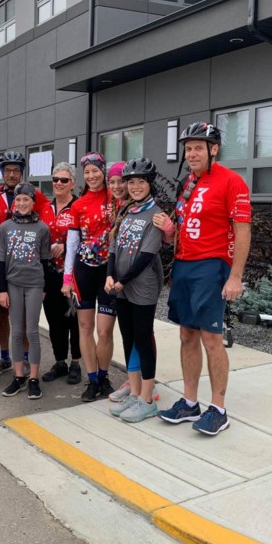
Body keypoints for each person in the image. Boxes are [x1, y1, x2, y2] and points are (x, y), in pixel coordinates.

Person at [157, 122, 252, 436]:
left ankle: (218, 409)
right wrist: (170, 234)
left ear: (214, 149)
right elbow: (183, 224)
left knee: (212, 339)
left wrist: (235, 276)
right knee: (187, 336)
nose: (192, 153)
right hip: (184, 264)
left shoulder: (232, 182)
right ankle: (189, 402)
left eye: (199, 147)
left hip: (212, 267)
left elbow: (242, 231)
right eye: (188, 148)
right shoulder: (189, 183)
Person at [105, 158, 169, 422]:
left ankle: (147, 398)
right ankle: (134, 391)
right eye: (131, 182)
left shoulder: (155, 215)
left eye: (140, 181)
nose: (135, 186)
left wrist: (121, 280)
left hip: (141, 287)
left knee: (143, 340)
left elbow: (145, 256)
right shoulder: (125, 212)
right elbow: (112, 249)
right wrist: (110, 275)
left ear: (149, 184)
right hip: (120, 287)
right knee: (128, 339)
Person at [0, 151, 53, 375]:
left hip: (27, 261)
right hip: (3, 260)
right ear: (2, 173)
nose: (11, 174)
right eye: (7, 171)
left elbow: (48, 219)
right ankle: (6, 356)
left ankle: (25, 357)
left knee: (24, 317)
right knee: (2, 312)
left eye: (16, 170)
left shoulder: (32, 194)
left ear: (22, 172)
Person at [61, 153, 117, 402]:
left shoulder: (116, 198)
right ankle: (92, 379)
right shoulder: (78, 204)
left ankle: (104, 377)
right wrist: (67, 278)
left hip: (108, 272)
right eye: (87, 172)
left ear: (103, 171)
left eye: (96, 171)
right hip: (84, 272)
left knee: (104, 331)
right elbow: (72, 244)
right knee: (85, 327)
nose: (92, 176)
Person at [0, 182, 53, 400]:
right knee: (17, 331)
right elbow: (0, 259)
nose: (21, 203)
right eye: (18, 199)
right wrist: (2, 289)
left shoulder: (42, 228)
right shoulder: (5, 227)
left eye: (26, 199)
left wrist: (46, 287)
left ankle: (33, 378)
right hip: (13, 283)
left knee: (32, 332)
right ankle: (19, 376)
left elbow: (46, 260)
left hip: (35, 284)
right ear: (14, 203)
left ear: (33, 202)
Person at [40, 162, 83, 385]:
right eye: (55, 179)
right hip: (50, 274)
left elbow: (89, 238)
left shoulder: (79, 206)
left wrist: (67, 246)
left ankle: (76, 362)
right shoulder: (45, 208)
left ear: (73, 183)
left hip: (74, 273)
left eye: (64, 180)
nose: (58, 183)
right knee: (54, 320)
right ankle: (60, 361)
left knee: (73, 320)